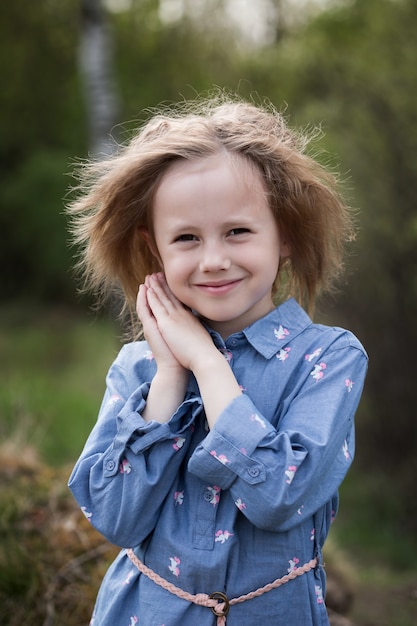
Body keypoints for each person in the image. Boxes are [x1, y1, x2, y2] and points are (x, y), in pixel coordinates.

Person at [67, 93, 368, 626]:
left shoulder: (328, 359)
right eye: (186, 238)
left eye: (238, 231)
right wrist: (170, 375)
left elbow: (279, 494)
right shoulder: (139, 366)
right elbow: (112, 517)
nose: (213, 260)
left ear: (286, 236)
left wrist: (207, 364)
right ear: (155, 249)